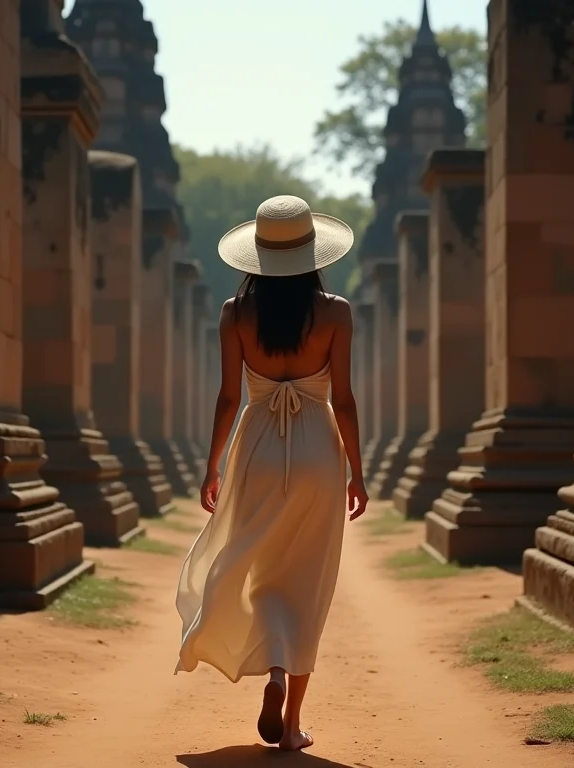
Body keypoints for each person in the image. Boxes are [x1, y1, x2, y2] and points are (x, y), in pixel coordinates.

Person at [174, 195, 368, 752]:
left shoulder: (235, 315)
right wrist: (357, 472)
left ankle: (273, 673)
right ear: (314, 253)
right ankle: (291, 727)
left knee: (260, 566)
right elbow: (346, 400)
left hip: (256, 449)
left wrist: (212, 465)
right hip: (317, 452)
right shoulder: (336, 312)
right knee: (308, 578)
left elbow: (227, 398)